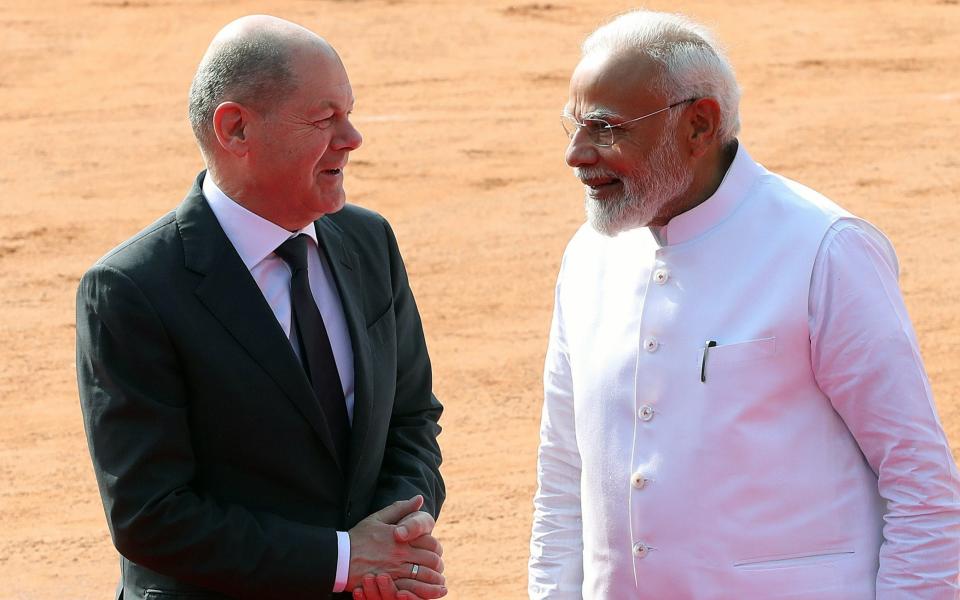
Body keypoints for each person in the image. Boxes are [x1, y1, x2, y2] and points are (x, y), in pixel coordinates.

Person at [528, 9, 960, 599]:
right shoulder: (588, 258)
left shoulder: (824, 249)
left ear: (700, 125)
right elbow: (563, 476)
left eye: (606, 128)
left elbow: (921, 486)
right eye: (573, 125)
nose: (577, 154)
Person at [76, 15, 446, 600]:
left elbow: (411, 415)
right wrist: (345, 557)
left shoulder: (369, 241)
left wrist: (400, 528)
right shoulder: (134, 289)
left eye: (349, 114)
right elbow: (152, 516)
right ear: (236, 129)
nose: (352, 138)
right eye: (325, 119)